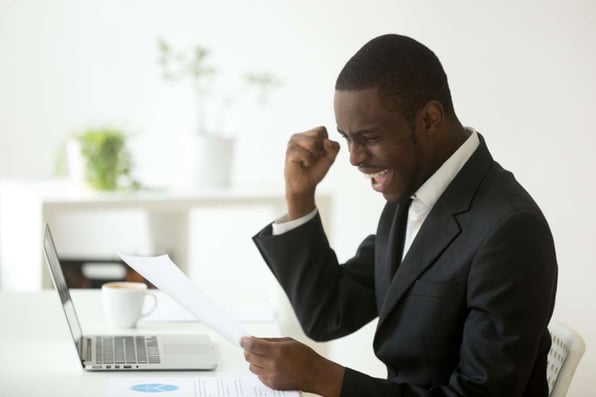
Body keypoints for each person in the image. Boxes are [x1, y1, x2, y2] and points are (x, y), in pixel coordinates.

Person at [242, 34, 558, 397]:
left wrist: (325, 378)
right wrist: (299, 197)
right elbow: (329, 314)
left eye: (369, 137)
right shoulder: (409, 198)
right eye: (346, 138)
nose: (354, 157)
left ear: (429, 118)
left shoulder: (510, 230)